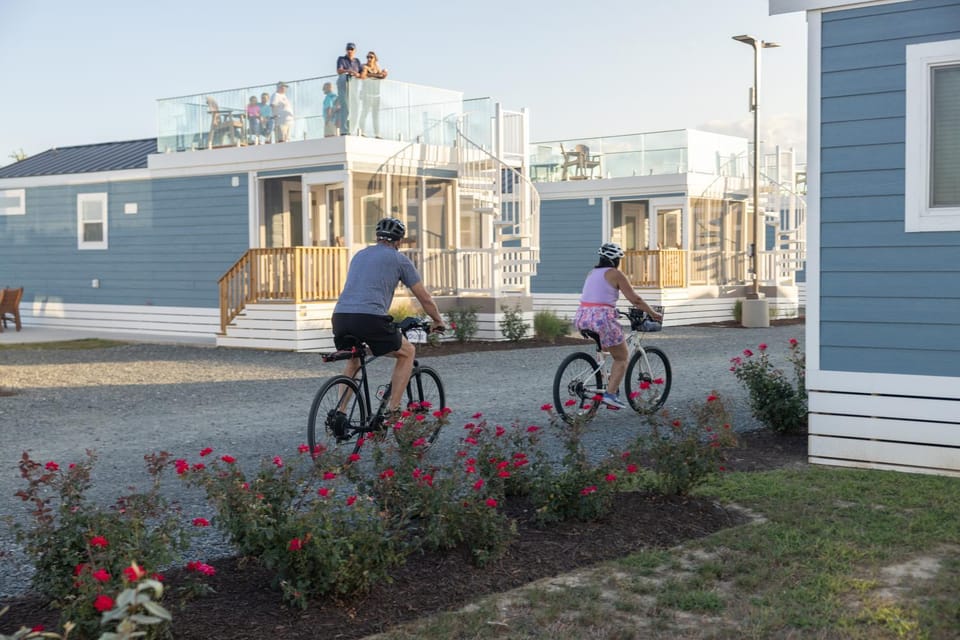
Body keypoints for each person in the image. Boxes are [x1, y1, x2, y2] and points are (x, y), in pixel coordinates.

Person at [332, 217, 445, 421]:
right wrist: (438, 320)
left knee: (354, 359)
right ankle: (393, 411)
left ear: (377, 237)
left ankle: (339, 414)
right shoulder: (399, 259)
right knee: (407, 352)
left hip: (340, 317)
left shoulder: (359, 255)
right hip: (370, 318)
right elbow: (424, 298)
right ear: (399, 241)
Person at [573, 242, 663, 409]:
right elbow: (635, 299)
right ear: (616, 260)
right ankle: (610, 395)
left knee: (609, 349)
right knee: (622, 358)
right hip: (602, 319)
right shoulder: (616, 274)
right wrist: (653, 313)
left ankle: (606, 378)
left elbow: (597, 296)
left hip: (582, 316)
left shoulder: (592, 273)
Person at [358, 50, 387, 138]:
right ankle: (361, 131)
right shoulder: (364, 66)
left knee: (376, 116)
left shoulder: (377, 68)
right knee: (364, 113)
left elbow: (382, 77)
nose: (369, 59)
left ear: (375, 59)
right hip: (367, 94)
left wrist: (384, 74)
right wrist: (377, 75)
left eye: (371, 57)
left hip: (376, 95)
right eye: (368, 57)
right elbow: (363, 76)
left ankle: (377, 133)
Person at [335, 42, 363, 135]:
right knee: (345, 107)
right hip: (343, 85)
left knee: (356, 107)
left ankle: (353, 129)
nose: (350, 51)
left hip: (354, 86)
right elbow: (339, 70)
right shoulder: (341, 59)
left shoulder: (357, 61)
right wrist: (349, 71)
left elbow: (362, 74)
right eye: (348, 49)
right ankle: (344, 130)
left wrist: (357, 74)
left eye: (351, 49)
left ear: (355, 50)